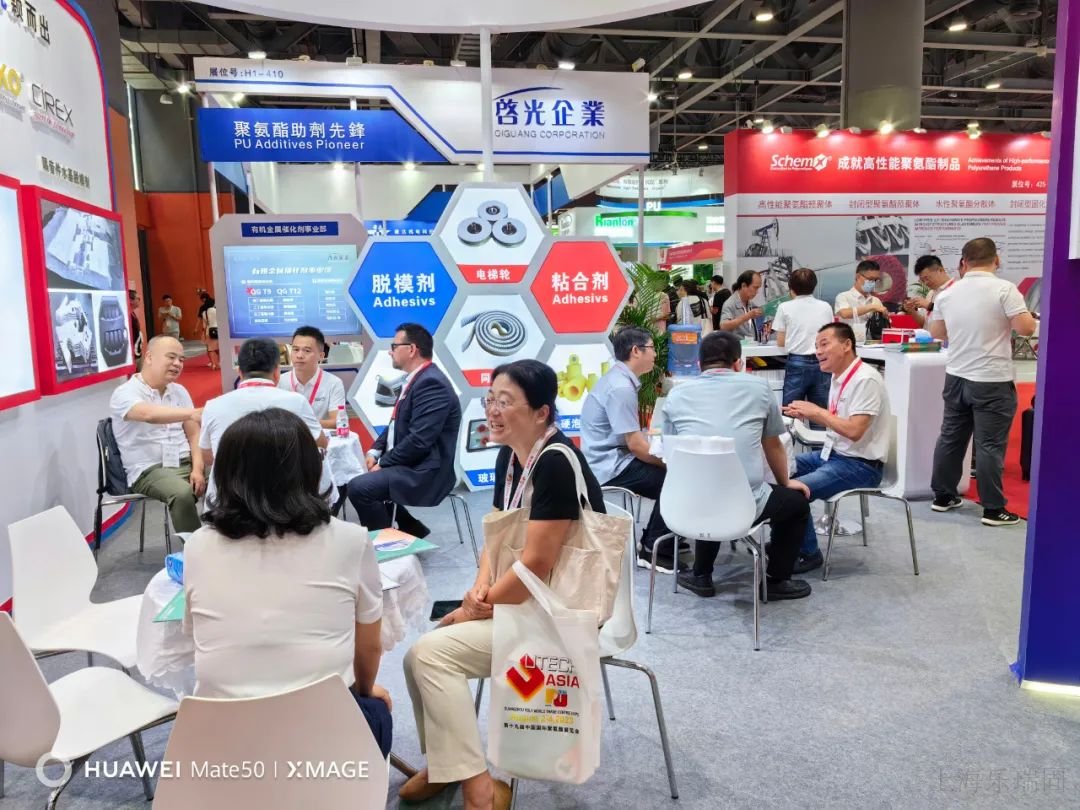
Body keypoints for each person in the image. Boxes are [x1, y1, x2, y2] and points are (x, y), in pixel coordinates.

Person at [400, 359, 606, 810]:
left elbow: (537, 564)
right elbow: (496, 538)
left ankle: (476, 786)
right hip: (522, 601)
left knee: (430, 655)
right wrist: (478, 591)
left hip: (559, 612)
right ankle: (449, 764)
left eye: (506, 401)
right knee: (418, 656)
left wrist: (477, 608)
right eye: (490, 399)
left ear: (541, 412)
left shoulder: (555, 462)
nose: (492, 411)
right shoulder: (509, 457)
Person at [182, 408, 392, 757]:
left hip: (223, 742)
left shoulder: (198, 546)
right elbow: (369, 646)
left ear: (227, 473)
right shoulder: (350, 540)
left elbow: (198, 638)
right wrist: (365, 691)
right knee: (375, 710)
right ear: (310, 469)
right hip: (325, 740)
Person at [659, 331, 812, 600]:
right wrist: (785, 482)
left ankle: (701, 575)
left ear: (699, 364)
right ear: (738, 363)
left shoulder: (676, 395)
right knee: (796, 504)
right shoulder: (760, 388)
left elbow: (672, 450)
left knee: (708, 484)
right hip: (744, 504)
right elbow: (773, 445)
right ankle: (776, 580)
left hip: (686, 505)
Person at [928, 237, 1036, 527]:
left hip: (956, 375)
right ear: (996, 260)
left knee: (950, 437)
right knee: (989, 445)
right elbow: (1026, 328)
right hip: (992, 379)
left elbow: (937, 332)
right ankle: (993, 509)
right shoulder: (1005, 289)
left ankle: (943, 496)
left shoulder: (948, 293)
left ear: (963, 262)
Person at [783, 323, 891, 573]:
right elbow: (837, 420)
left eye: (824, 344)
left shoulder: (865, 379)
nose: (818, 351)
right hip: (833, 455)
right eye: (816, 346)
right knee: (778, 469)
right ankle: (787, 541)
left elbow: (854, 431)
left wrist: (817, 413)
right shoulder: (838, 377)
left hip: (861, 465)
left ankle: (808, 553)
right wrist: (807, 414)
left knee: (793, 493)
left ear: (846, 345)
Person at [580, 326, 685, 572]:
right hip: (609, 465)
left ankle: (664, 534)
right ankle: (652, 548)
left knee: (673, 474)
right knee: (676, 481)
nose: (655, 354)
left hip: (611, 457)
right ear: (636, 351)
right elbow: (636, 446)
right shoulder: (621, 388)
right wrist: (670, 462)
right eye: (651, 348)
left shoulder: (618, 380)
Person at [347, 323, 461, 537]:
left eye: (394, 346)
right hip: (411, 463)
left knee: (360, 488)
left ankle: (385, 546)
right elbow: (394, 425)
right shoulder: (416, 380)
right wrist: (375, 451)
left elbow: (419, 440)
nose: (390, 352)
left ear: (411, 349)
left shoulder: (432, 383)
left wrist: (383, 463)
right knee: (367, 482)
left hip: (425, 470)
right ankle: (411, 528)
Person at [199, 337, 328, 508]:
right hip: (286, 503)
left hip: (228, 504)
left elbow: (208, 458)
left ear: (240, 372)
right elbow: (320, 443)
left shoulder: (213, 406)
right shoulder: (296, 402)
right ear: (277, 372)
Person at [109, 335, 204, 533]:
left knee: (233, 479)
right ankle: (195, 548)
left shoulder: (179, 391)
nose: (177, 364)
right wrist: (192, 413)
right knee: (182, 493)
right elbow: (149, 415)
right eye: (171, 357)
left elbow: (194, 434)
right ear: (149, 357)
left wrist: (197, 468)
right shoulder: (125, 393)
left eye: (181, 359)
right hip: (148, 469)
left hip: (184, 461)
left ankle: (227, 540)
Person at [773, 267, 834, 415]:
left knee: (791, 412)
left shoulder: (784, 307)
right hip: (822, 362)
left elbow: (780, 342)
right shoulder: (825, 306)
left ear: (791, 287)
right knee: (820, 415)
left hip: (797, 363)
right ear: (814, 286)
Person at [278, 325, 347, 429]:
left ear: (321, 356)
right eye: (295, 349)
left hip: (321, 437)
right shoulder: (280, 381)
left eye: (307, 351)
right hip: (288, 437)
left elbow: (337, 422)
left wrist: (303, 424)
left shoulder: (334, 383)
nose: (299, 355)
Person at [834, 260, 887, 341]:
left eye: (875, 280)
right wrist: (871, 307)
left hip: (873, 343)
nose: (873, 283)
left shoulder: (876, 300)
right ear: (858, 276)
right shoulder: (843, 296)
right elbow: (844, 313)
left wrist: (884, 317)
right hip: (849, 343)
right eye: (870, 279)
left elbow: (885, 325)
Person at [903, 255, 955, 328]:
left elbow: (954, 315)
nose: (926, 283)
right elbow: (924, 324)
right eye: (922, 280)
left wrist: (929, 305)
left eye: (927, 278)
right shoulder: (931, 293)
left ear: (940, 270)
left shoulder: (955, 289)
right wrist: (912, 311)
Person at [719, 270, 764, 340]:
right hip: (737, 345)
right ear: (744, 285)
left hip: (751, 344)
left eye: (758, 288)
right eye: (755, 288)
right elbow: (723, 326)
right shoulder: (730, 303)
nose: (757, 292)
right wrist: (747, 316)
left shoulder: (751, 304)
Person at [197, 292, 220, 370]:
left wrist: (203, 333)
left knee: (211, 349)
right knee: (219, 349)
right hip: (218, 331)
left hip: (209, 332)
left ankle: (213, 364)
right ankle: (219, 363)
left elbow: (205, 324)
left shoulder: (204, 313)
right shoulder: (217, 310)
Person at [128, 289, 143, 361]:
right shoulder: (127, 316)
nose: (139, 301)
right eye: (138, 298)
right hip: (133, 355)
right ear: (131, 300)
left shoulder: (132, 313)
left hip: (137, 352)